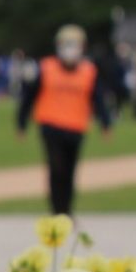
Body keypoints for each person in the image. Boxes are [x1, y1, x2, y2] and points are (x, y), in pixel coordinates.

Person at [13, 25, 113, 216]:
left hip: (76, 127)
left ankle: (66, 210)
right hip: (51, 125)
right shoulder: (46, 68)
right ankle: (56, 210)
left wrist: (105, 124)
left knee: (69, 171)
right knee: (56, 168)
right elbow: (29, 97)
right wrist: (21, 123)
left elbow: (98, 100)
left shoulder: (88, 71)